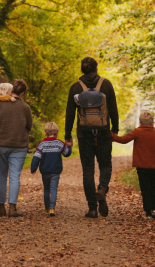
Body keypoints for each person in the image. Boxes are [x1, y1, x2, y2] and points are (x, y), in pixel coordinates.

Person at [64, 57, 119, 218]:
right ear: (96, 68)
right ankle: (102, 188)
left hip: (84, 133)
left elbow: (70, 113)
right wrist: (114, 129)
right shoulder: (106, 84)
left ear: (82, 69)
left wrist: (68, 135)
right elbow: (113, 109)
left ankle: (92, 208)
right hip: (103, 132)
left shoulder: (76, 87)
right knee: (105, 165)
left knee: (88, 169)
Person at [111, 110, 155, 219]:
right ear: (153, 123)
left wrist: (111, 135)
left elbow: (124, 140)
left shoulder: (137, 132)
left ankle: (148, 213)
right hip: (154, 167)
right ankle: (154, 209)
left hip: (142, 167)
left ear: (140, 123)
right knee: (153, 187)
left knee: (145, 188)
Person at [0, 79, 32, 217]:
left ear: (13, 90)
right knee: (14, 177)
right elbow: (29, 126)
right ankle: (12, 207)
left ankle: (1, 206)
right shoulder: (25, 108)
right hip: (18, 146)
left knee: (1, 176)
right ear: (23, 93)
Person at [30, 122, 72, 217]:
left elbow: (36, 157)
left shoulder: (42, 144)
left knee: (46, 189)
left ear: (45, 133)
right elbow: (66, 154)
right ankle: (52, 208)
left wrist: (33, 168)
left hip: (45, 171)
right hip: (56, 171)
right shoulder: (59, 143)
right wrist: (69, 147)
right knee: (53, 188)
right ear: (57, 133)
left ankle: (46, 208)